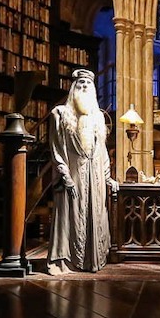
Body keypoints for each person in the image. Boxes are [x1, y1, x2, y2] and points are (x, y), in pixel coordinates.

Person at [47, 68, 119, 275]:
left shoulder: (98, 117)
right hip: (73, 174)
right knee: (69, 216)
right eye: (81, 83)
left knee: (96, 214)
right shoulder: (60, 114)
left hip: (95, 177)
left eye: (88, 83)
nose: (85, 86)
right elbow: (56, 148)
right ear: (74, 87)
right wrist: (65, 175)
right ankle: (65, 260)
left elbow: (102, 151)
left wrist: (108, 178)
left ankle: (91, 260)